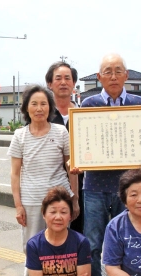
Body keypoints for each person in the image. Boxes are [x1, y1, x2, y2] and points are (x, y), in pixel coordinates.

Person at [80, 53, 141, 276]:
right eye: (108, 71)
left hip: (127, 188)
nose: (113, 76)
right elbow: (82, 142)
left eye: (118, 71)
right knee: (93, 244)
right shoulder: (88, 105)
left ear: (126, 75)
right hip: (95, 185)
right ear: (99, 77)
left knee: (127, 243)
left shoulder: (139, 104)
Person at [8, 85, 79, 276]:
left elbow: (71, 168)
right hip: (31, 201)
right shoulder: (20, 135)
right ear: (26, 108)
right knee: (33, 250)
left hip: (60, 201)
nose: (39, 108)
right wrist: (18, 205)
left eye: (44, 104)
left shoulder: (60, 132)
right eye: (34, 104)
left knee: (61, 250)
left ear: (50, 108)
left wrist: (74, 199)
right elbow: (15, 173)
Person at [45, 61, 84, 235]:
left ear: (73, 83)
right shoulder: (42, 116)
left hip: (82, 186)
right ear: (49, 84)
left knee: (79, 234)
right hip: (50, 185)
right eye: (58, 78)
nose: (63, 82)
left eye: (67, 78)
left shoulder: (85, 115)